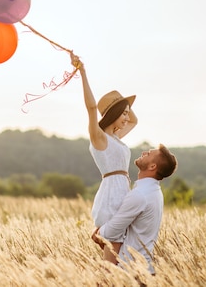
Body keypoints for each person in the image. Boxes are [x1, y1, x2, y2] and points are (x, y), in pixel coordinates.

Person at [70, 52, 138, 263]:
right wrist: (82, 72)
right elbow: (91, 108)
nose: (127, 118)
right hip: (111, 198)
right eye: (123, 113)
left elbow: (134, 121)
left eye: (127, 113)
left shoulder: (116, 138)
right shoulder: (99, 138)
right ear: (113, 114)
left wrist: (123, 105)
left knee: (120, 262)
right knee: (111, 264)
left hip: (122, 194)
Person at [92, 144, 178, 276]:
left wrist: (98, 232)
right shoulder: (153, 191)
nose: (144, 153)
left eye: (149, 154)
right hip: (141, 269)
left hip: (132, 272)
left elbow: (111, 231)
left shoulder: (140, 195)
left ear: (152, 167)